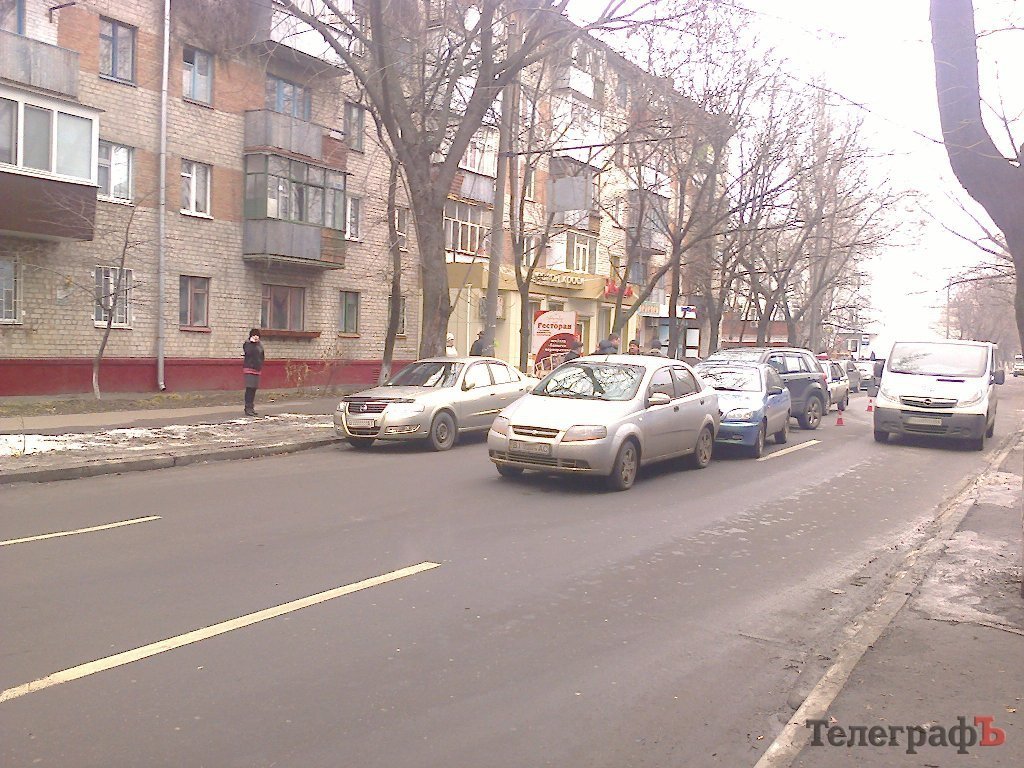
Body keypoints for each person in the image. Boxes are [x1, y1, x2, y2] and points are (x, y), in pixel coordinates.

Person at [242, 328, 264, 417]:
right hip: (249, 369)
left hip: (257, 370)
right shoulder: (247, 344)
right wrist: (252, 343)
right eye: (254, 335)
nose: (256, 337)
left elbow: (262, 355)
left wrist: (261, 364)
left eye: (257, 335)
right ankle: (247, 408)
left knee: (254, 389)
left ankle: (251, 407)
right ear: (251, 336)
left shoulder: (260, 345)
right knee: (249, 389)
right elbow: (248, 352)